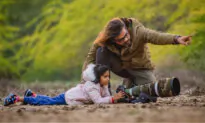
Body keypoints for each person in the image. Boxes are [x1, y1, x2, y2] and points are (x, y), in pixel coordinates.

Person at [82, 17, 192, 88]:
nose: (125, 39)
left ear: (126, 28)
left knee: (151, 91)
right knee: (101, 51)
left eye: (126, 35)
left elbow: (156, 36)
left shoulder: (138, 31)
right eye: (120, 39)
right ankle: (103, 89)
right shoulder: (103, 39)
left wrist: (176, 39)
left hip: (140, 67)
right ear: (112, 39)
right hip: (121, 66)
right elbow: (90, 59)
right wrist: (84, 83)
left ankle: (130, 84)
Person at [3, 64, 125, 106]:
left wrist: (113, 97)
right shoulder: (91, 86)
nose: (108, 79)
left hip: (71, 97)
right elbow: (98, 101)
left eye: (108, 76)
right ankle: (17, 98)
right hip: (69, 98)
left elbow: (106, 97)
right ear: (98, 78)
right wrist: (113, 99)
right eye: (105, 77)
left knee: (50, 100)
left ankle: (32, 94)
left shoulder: (102, 85)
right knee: (48, 102)